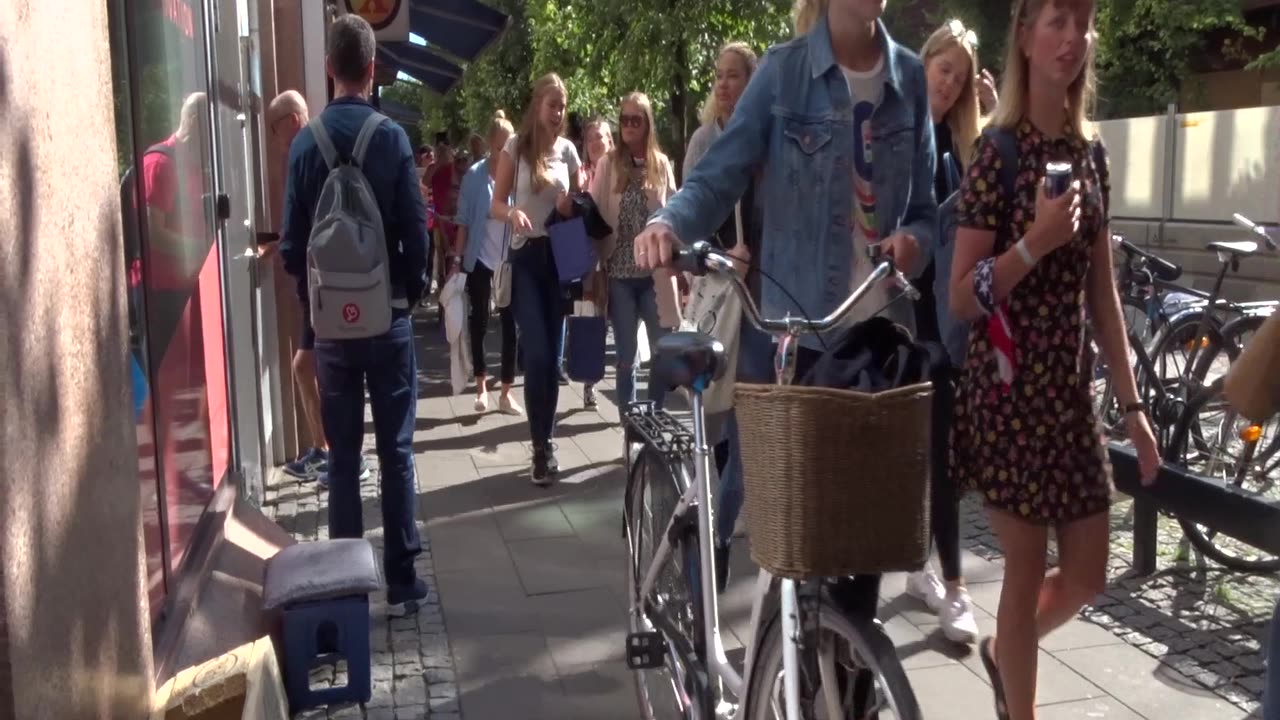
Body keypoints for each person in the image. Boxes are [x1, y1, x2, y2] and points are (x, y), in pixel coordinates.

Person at [634, 0, 936, 663]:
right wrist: (669, 224)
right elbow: (716, 178)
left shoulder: (909, 79)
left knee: (868, 557)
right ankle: (779, 670)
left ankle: (833, 687)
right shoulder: (784, 73)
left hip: (878, 349)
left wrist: (914, 240)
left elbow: (924, 212)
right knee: (798, 545)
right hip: (795, 347)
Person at [945, 1, 1160, 717]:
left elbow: (1103, 295)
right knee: (1027, 563)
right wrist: (1033, 242)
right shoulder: (996, 153)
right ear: (1027, 40)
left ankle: (1009, 650)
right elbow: (961, 298)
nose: (1074, 37)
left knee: (1091, 573)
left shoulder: (1091, 155)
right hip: (1006, 393)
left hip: (1067, 397)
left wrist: (1132, 409)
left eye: (1083, 21)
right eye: (1057, 20)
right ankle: (1019, 703)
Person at [280, 14, 431, 608]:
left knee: (343, 457)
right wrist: (405, 294)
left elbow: (294, 246)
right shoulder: (391, 139)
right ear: (372, 69)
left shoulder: (304, 144)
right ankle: (400, 577)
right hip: (387, 318)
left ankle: (345, 586)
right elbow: (416, 234)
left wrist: (319, 302)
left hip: (333, 333)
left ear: (329, 68)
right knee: (396, 450)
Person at [901, 19, 987, 645]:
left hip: (942, 323)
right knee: (896, 453)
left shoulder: (964, 145)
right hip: (891, 314)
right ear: (923, 64)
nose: (951, 84)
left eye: (960, 77)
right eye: (944, 70)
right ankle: (913, 564)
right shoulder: (895, 129)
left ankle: (954, 588)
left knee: (942, 453)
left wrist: (987, 114)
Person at [681, 40, 760, 590]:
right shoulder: (706, 140)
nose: (724, 85)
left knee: (747, 429)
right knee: (718, 424)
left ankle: (718, 531)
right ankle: (702, 519)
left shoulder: (763, 139)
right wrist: (717, 254)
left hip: (763, 298)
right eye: (719, 75)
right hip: (721, 291)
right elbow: (692, 208)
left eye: (735, 76)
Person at [489, 73, 582, 485]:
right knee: (539, 354)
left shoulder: (569, 152)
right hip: (526, 257)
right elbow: (496, 202)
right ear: (537, 105)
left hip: (559, 258)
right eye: (552, 105)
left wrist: (568, 206)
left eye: (562, 107)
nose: (558, 114)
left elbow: (578, 207)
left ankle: (546, 444)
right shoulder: (516, 147)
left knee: (554, 362)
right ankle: (539, 443)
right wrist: (511, 213)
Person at [591, 92, 678, 410]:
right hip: (620, 273)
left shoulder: (661, 164)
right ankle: (629, 424)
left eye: (635, 120)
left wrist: (681, 269)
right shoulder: (608, 164)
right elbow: (595, 213)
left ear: (646, 124)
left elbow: (674, 215)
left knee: (661, 351)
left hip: (655, 272)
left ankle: (653, 416)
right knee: (627, 355)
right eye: (623, 119)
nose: (628, 126)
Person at [454, 112, 522, 415]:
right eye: (497, 149)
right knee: (478, 322)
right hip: (480, 260)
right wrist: (456, 262)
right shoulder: (474, 177)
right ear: (488, 146)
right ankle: (481, 387)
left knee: (511, 326)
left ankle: (506, 392)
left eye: (507, 149)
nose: (501, 155)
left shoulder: (520, 175)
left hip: (509, 261)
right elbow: (464, 224)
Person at [561, 116, 614, 408]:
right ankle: (589, 380)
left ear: (610, 142)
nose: (596, 141)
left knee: (607, 319)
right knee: (591, 316)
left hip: (616, 256)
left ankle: (613, 372)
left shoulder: (619, 173)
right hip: (588, 260)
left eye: (601, 136)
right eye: (591, 137)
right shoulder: (579, 176)